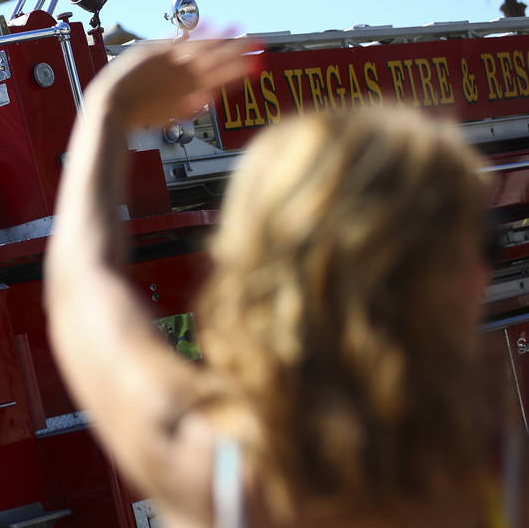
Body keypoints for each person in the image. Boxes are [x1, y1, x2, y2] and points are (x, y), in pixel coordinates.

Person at [45, 40, 504, 526]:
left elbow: (79, 286)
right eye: (482, 241)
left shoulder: (225, 478)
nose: (485, 269)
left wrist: (107, 104)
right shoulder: (492, 476)